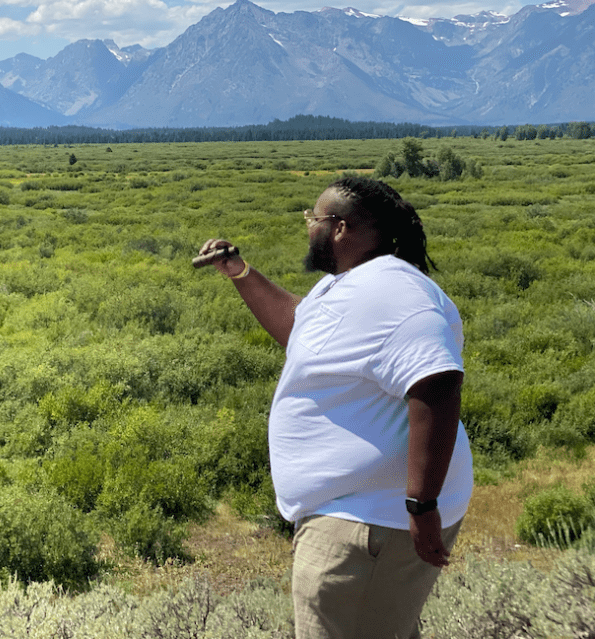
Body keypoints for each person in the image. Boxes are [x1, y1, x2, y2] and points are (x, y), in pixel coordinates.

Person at [199, 176, 472, 639]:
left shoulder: (395, 294)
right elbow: (301, 330)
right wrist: (241, 273)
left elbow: (438, 383)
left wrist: (422, 505)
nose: (308, 225)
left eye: (313, 218)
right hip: (360, 522)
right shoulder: (350, 284)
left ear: (340, 228)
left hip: (371, 525)